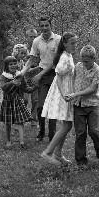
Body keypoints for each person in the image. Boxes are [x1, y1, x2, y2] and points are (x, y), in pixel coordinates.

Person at [65, 45, 99, 166]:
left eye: (87, 61)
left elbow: (92, 89)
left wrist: (75, 94)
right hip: (78, 106)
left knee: (94, 131)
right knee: (80, 133)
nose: (85, 63)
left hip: (91, 105)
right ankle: (81, 161)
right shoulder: (78, 66)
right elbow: (71, 79)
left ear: (94, 58)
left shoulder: (98, 70)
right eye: (83, 60)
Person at [40, 32, 77, 165]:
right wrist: (63, 95)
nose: (74, 45)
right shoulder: (64, 58)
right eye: (72, 43)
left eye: (75, 43)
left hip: (67, 91)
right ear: (65, 43)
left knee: (66, 124)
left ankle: (58, 154)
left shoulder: (68, 55)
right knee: (67, 124)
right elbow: (59, 78)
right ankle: (48, 152)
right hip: (63, 93)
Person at [31, 17, 61, 142]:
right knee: (41, 106)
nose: (44, 28)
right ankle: (42, 131)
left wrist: (39, 74)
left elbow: (55, 62)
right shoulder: (37, 41)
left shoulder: (59, 39)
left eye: (46, 25)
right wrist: (23, 72)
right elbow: (32, 59)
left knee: (53, 106)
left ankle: (52, 134)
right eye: (41, 26)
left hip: (55, 74)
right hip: (43, 75)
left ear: (51, 26)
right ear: (39, 27)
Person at [0, 56, 33, 148]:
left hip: (18, 101)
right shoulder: (4, 76)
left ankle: (22, 142)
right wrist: (12, 83)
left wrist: (33, 87)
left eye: (15, 63)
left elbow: (25, 88)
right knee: (8, 122)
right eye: (11, 64)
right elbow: (3, 87)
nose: (13, 65)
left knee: (20, 121)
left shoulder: (20, 75)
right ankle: (8, 141)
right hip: (8, 102)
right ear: (6, 66)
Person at [24, 28, 39, 128]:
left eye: (35, 37)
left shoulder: (39, 48)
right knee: (24, 99)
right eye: (31, 37)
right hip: (24, 77)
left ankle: (34, 120)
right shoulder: (22, 49)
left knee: (36, 100)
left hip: (35, 76)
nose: (33, 39)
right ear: (26, 37)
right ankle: (22, 118)